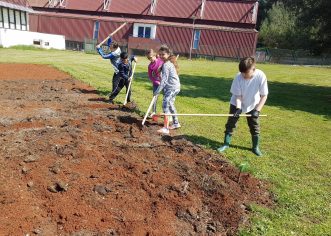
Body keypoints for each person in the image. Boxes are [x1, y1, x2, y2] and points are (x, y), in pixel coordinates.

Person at [217, 57, 268, 156]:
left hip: (253, 104)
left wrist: (257, 110)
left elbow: (264, 95)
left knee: (254, 125)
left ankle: (255, 147)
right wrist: (238, 108)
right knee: (231, 123)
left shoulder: (260, 76)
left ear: (253, 69)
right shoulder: (238, 77)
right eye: (242, 73)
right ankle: (226, 144)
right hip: (236, 102)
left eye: (246, 73)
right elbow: (238, 96)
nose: (243, 75)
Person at [153, 45, 181, 135]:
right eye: (160, 54)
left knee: (165, 106)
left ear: (168, 54)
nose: (161, 56)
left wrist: (157, 91)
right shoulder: (167, 63)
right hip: (176, 87)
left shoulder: (166, 64)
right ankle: (176, 123)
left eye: (163, 54)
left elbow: (164, 81)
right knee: (171, 104)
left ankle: (166, 128)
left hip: (171, 88)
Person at [96, 38, 121, 103]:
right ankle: (113, 94)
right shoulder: (117, 48)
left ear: (114, 48)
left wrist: (99, 49)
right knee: (116, 83)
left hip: (119, 71)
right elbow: (110, 44)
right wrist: (110, 38)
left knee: (115, 83)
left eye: (111, 48)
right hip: (119, 70)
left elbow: (104, 56)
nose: (110, 48)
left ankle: (111, 98)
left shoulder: (115, 53)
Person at [146, 49, 164, 116]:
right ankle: (154, 111)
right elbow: (150, 76)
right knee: (155, 97)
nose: (150, 59)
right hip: (156, 84)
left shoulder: (160, 60)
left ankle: (165, 112)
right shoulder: (150, 66)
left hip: (164, 82)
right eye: (148, 58)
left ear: (154, 55)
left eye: (150, 57)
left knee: (165, 98)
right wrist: (156, 82)